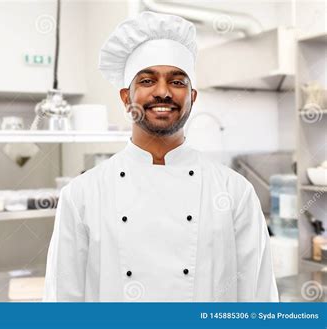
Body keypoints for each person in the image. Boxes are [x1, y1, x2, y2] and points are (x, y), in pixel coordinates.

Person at [44, 11, 278, 302]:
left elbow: (259, 298)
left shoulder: (235, 192)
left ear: (192, 97)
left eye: (177, 82)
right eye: (147, 80)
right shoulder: (81, 196)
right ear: (126, 98)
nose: (163, 92)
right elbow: (62, 303)